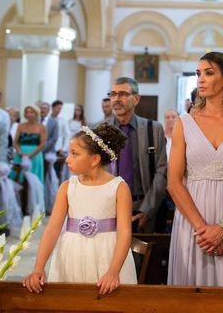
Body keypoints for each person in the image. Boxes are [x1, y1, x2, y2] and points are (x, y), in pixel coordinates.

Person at [167, 51, 223, 286]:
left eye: (208, 73)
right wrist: (204, 230)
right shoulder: (184, 123)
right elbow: (174, 182)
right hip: (192, 222)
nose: (200, 79)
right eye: (199, 73)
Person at [22, 122, 137, 293]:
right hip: (72, 254)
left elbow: (125, 232)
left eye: (74, 154)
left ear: (95, 160)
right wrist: (38, 267)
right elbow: (53, 229)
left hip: (107, 255)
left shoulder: (119, 188)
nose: (67, 159)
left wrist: (113, 271)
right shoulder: (67, 187)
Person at [109, 77, 167, 233]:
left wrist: (147, 210)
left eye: (122, 94)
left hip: (144, 205)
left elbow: (161, 171)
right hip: (109, 208)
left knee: (143, 256)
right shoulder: (100, 132)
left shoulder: (153, 129)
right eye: (113, 94)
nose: (116, 99)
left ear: (136, 99)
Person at [12, 105, 46, 183]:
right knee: (18, 178)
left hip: (35, 154)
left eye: (31, 112)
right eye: (27, 112)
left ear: (37, 114)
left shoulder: (42, 127)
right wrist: (20, 152)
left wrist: (31, 154)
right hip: (21, 154)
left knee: (33, 179)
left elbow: (42, 144)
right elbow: (16, 141)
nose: (29, 114)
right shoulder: (21, 126)